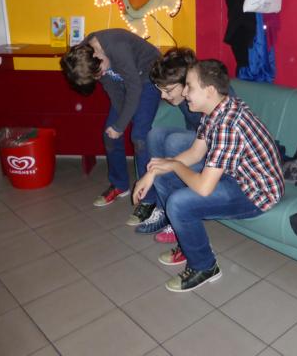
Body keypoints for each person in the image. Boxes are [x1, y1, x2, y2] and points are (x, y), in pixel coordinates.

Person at [132, 59, 284, 292]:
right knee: (164, 176)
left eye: (189, 86)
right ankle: (189, 242)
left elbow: (203, 188)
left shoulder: (228, 124)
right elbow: (195, 153)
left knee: (179, 204)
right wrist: (152, 173)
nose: (184, 92)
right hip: (235, 174)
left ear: (210, 91)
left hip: (256, 192)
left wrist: (173, 165)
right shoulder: (214, 110)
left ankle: (204, 267)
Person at [60, 28, 161, 207]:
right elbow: (113, 89)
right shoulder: (86, 57)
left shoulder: (117, 48)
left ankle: (148, 199)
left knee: (139, 137)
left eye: (100, 71)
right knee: (110, 135)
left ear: (98, 54)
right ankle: (120, 185)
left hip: (148, 75)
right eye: (96, 76)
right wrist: (122, 121)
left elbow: (135, 88)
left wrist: (122, 125)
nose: (101, 75)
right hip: (126, 79)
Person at [125, 47, 200, 237]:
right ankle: (164, 209)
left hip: (218, 148)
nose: (163, 96)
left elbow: (213, 138)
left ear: (187, 82)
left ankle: (178, 217)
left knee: (174, 142)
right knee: (154, 135)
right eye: (161, 90)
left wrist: (158, 169)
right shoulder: (184, 91)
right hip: (199, 139)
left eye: (167, 90)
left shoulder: (206, 92)